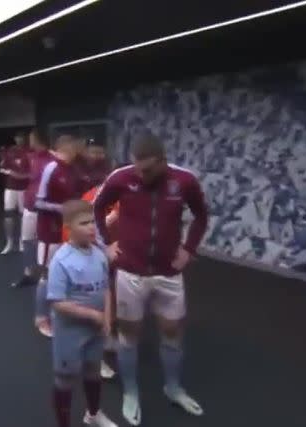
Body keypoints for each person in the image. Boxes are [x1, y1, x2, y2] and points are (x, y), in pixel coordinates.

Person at [93, 134, 208, 425]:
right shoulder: (122, 178)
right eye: (137, 169)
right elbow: (97, 207)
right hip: (130, 272)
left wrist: (189, 249)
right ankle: (131, 391)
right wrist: (106, 243)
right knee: (129, 335)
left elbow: (201, 216)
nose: (141, 175)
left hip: (169, 272)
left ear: (163, 162)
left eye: (147, 170)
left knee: (172, 332)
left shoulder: (184, 181)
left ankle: (173, 387)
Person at [47, 200, 117, 427]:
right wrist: (92, 315)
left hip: (95, 330)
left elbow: (106, 287)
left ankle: (93, 414)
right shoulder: (61, 260)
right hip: (70, 332)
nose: (91, 228)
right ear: (68, 226)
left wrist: (106, 316)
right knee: (65, 380)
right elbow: (58, 302)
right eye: (84, 223)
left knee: (93, 371)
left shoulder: (98, 254)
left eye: (92, 222)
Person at [34, 135, 83, 337]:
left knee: (65, 274)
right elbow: (38, 201)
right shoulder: (51, 167)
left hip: (67, 230)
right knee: (46, 275)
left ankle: (60, 315)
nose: (79, 151)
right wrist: (63, 208)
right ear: (66, 147)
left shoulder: (71, 169)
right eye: (75, 148)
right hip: (50, 231)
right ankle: (40, 317)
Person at [11, 129, 54, 288]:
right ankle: (29, 273)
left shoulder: (52, 159)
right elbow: (27, 175)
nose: (29, 142)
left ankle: (45, 275)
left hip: (45, 209)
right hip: (30, 207)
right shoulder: (31, 157)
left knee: (44, 242)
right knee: (27, 241)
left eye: (31, 139)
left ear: (37, 140)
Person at [0, 132, 31, 254]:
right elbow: (2, 168)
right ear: (15, 138)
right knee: (8, 216)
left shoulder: (29, 152)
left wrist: (22, 176)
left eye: (21, 137)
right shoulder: (10, 151)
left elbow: (32, 171)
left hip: (23, 188)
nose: (19, 139)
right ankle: (9, 242)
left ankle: (22, 241)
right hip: (10, 188)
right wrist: (10, 173)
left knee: (23, 216)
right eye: (17, 137)